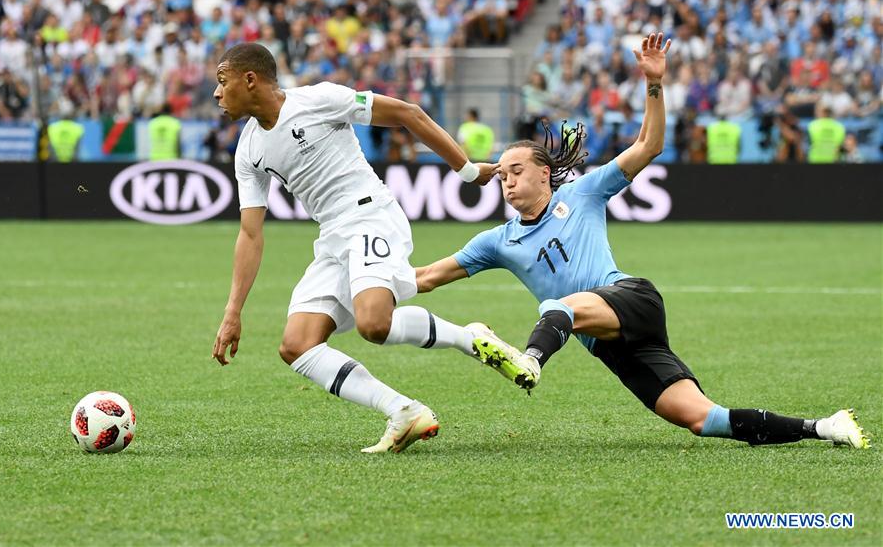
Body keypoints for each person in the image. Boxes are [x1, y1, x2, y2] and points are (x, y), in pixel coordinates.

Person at [414, 33, 870, 450]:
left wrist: (654, 84)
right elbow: (429, 277)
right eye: (502, 176)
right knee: (702, 419)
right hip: (610, 345)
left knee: (558, 308)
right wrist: (367, 277)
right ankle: (825, 426)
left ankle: (529, 361)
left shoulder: (582, 193)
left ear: (544, 174)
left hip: (631, 299)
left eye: (517, 172)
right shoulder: (498, 240)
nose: (507, 182)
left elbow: (649, 145)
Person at [210, 43, 531, 454]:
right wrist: (232, 312)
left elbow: (407, 114)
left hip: (370, 216)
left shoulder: (319, 100)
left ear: (249, 79)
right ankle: (403, 410)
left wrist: (467, 170)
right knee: (297, 345)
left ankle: (469, 337)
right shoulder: (248, 151)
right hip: (332, 238)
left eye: (222, 82)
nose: (217, 94)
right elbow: (250, 235)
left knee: (374, 324)